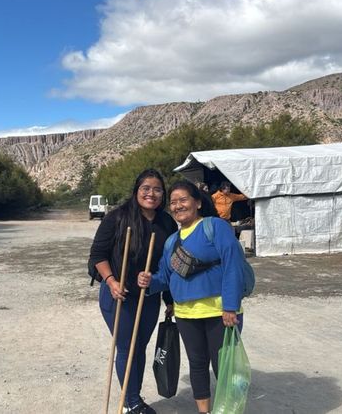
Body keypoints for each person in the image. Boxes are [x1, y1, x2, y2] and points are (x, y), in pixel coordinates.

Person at [138, 181, 248, 414]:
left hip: (219, 311)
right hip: (187, 314)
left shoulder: (215, 227)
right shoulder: (172, 242)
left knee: (225, 368)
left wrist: (230, 306)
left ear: (198, 202)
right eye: (173, 202)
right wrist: (149, 282)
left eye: (183, 200)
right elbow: (165, 277)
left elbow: (232, 265)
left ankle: (230, 410)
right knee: (197, 365)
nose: (178, 206)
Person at [88, 169, 178, 414]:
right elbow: (98, 255)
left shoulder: (166, 222)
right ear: (137, 190)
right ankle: (131, 402)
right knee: (128, 347)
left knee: (140, 347)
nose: (151, 193)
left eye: (157, 189)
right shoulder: (117, 218)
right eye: (146, 188)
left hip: (149, 297)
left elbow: (170, 264)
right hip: (120, 295)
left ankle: (133, 397)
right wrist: (111, 281)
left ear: (163, 193)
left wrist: (169, 298)